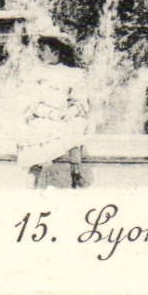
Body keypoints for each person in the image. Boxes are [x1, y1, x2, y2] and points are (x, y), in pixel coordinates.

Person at [14, 29, 92, 189]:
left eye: (43, 50)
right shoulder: (35, 73)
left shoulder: (74, 74)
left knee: (75, 126)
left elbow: (80, 101)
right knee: (34, 132)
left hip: (64, 117)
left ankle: (75, 173)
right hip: (43, 116)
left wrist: (70, 112)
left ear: (56, 51)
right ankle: (34, 179)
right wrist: (49, 113)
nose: (39, 54)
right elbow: (30, 101)